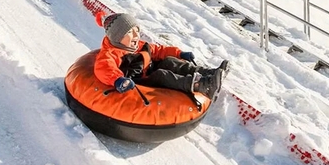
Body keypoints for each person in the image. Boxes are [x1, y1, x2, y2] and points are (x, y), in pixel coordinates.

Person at [93, 12, 228, 101]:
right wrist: (118, 80)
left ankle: (210, 74)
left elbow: (159, 50)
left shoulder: (139, 45)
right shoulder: (111, 53)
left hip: (147, 72)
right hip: (136, 83)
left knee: (170, 61)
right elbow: (104, 68)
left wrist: (178, 53)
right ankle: (202, 86)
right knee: (161, 75)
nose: (136, 36)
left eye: (137, 31)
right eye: (130, 32)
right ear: (117, 37)